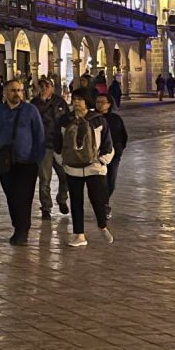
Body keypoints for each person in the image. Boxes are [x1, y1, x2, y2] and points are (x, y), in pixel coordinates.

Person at [0, 78, 47, 244]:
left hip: (26, 162)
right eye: (13, 90)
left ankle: (22, 230)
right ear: (5, 92)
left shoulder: (30, 111)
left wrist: (37, 158)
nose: (17, 94)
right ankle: (18, 226)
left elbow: (39, 135)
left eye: (20, 90)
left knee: (23, 196)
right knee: (11, 196)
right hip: (5, 163)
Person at [58, 95, 114, 246]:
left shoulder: (98, 120)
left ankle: (102, 226)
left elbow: (107, 142)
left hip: (94, 167)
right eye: (74, 99)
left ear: (86, 102)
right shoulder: (65, 120)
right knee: (76, 201)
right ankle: (79, 234)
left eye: (80, 99)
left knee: (98, 199)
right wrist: (62, 160)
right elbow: (58, 142)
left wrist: (102, 161)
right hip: (72, 167)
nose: (76, 102)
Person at [32, 78, 71, 220]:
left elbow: (67, 120)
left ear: (52, 87)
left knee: (65, 175)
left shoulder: (60, 102)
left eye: (46, 86)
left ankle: (62, 198)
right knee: (44, 179)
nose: (44, 88)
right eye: (41, 86)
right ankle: (46, 208)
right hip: (43, 145)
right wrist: (42, 100)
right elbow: (34, 120)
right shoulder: (35, 104)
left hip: (59, 145)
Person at [93, 92, 128, 213]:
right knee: (99, 181)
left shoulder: (115, 119)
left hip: (114, 155)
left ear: (109, 104)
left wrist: (118, 150)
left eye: (103, 102)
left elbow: (123, 136)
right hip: (96, 155)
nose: (100, 105)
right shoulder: (92, 118)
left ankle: (104, 201)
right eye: (98, 102)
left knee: (111, 181)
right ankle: (104, 205)